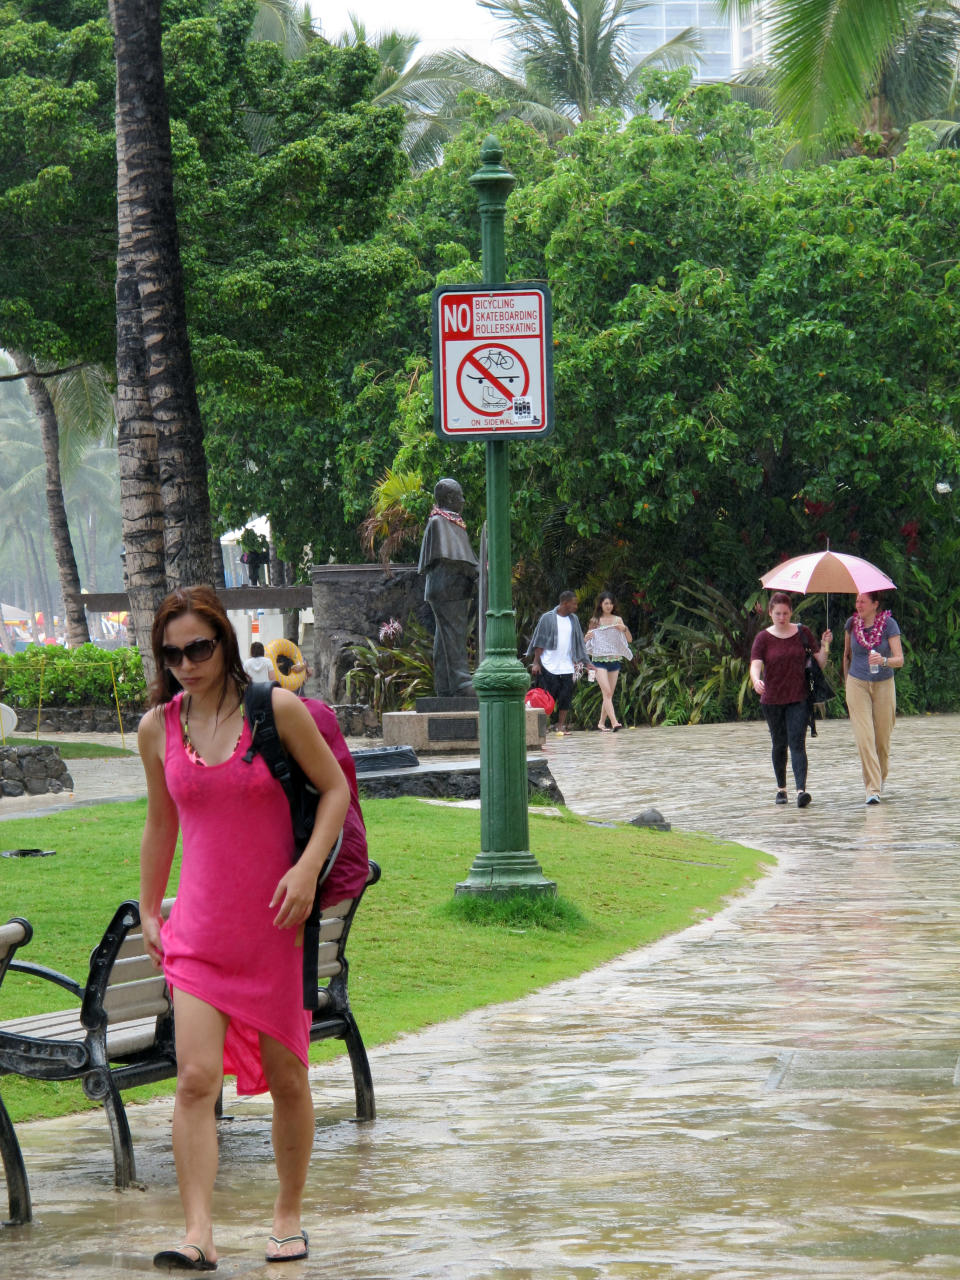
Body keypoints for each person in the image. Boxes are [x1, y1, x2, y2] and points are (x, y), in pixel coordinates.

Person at [138, 586, 351, 1271]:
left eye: (198, 647)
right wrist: (149, 907)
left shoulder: (276, 711)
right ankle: (197, 1232)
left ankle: (287, 1215)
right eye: (172, 654)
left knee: (288, 1077)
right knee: (196, 1079)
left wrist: (307, 869)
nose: (186, 664)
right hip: (199, 931)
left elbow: (336, 792)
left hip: (275, 928)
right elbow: (161, 823)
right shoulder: (158, 728)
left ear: (225, 642)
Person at [749, 592, 833, 808]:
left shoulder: (802, 633)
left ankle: (801, 791)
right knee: (779, 744)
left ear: (791, 612)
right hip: (772, 699)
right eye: (778, 613)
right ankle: (781, 789)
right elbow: (755, 664)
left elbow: (819, 663)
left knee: (797, 743)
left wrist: (825, 645)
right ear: (770, 613)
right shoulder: (763, 638)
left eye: (786, 613)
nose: (782, 617)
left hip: (799, 697)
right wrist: (756, 680)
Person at [417, 478, 479, 697]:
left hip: (454, 588)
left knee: (445, 639)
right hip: (447, 589)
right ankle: (461, 683)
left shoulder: (453, 522)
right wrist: (474, 569)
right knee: (454, 635)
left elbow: (463, 556)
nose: (463, 500)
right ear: (450, 498)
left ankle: (444, 686)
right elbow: (451, 558)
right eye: (460, 495)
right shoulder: (438, 522)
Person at [842, 591, 904, 805]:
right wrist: (845, 682)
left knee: (882, 741)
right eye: (857, 600)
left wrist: (884, 660)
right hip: (856, 683)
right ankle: (872, 789)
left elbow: (900, 660)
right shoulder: (851, 623)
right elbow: (846, 654)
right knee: (864, 738)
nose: (858, 604)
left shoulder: (889, 625)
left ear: (875, 604)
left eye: (863, 601)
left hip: (884, 684)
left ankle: (880, 779)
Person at [526, 590, 591, 735]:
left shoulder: (574, 619)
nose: (576, 606)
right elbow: (539, 641)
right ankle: (542, 727)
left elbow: (579, 642)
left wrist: (587, 663)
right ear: (565, 603)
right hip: (549, 665)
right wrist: (536, 663)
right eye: (574, 604)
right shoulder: (547, 618)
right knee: (546, 699)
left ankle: (560, 726)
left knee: (565, 697)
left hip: (567, 666)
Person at [584, 592, 632, 731]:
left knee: (608, 694)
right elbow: (587, 641)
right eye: (606, 603)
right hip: (598, 661)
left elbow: (629, 640)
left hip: (615, 660)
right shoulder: (595, 621)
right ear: (600, 604)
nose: (609, 606)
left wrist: (624, 629)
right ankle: (614, 722)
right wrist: (587, 637)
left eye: (611, 603)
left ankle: (600, 723)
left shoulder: (618, 620)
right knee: (607, 692)